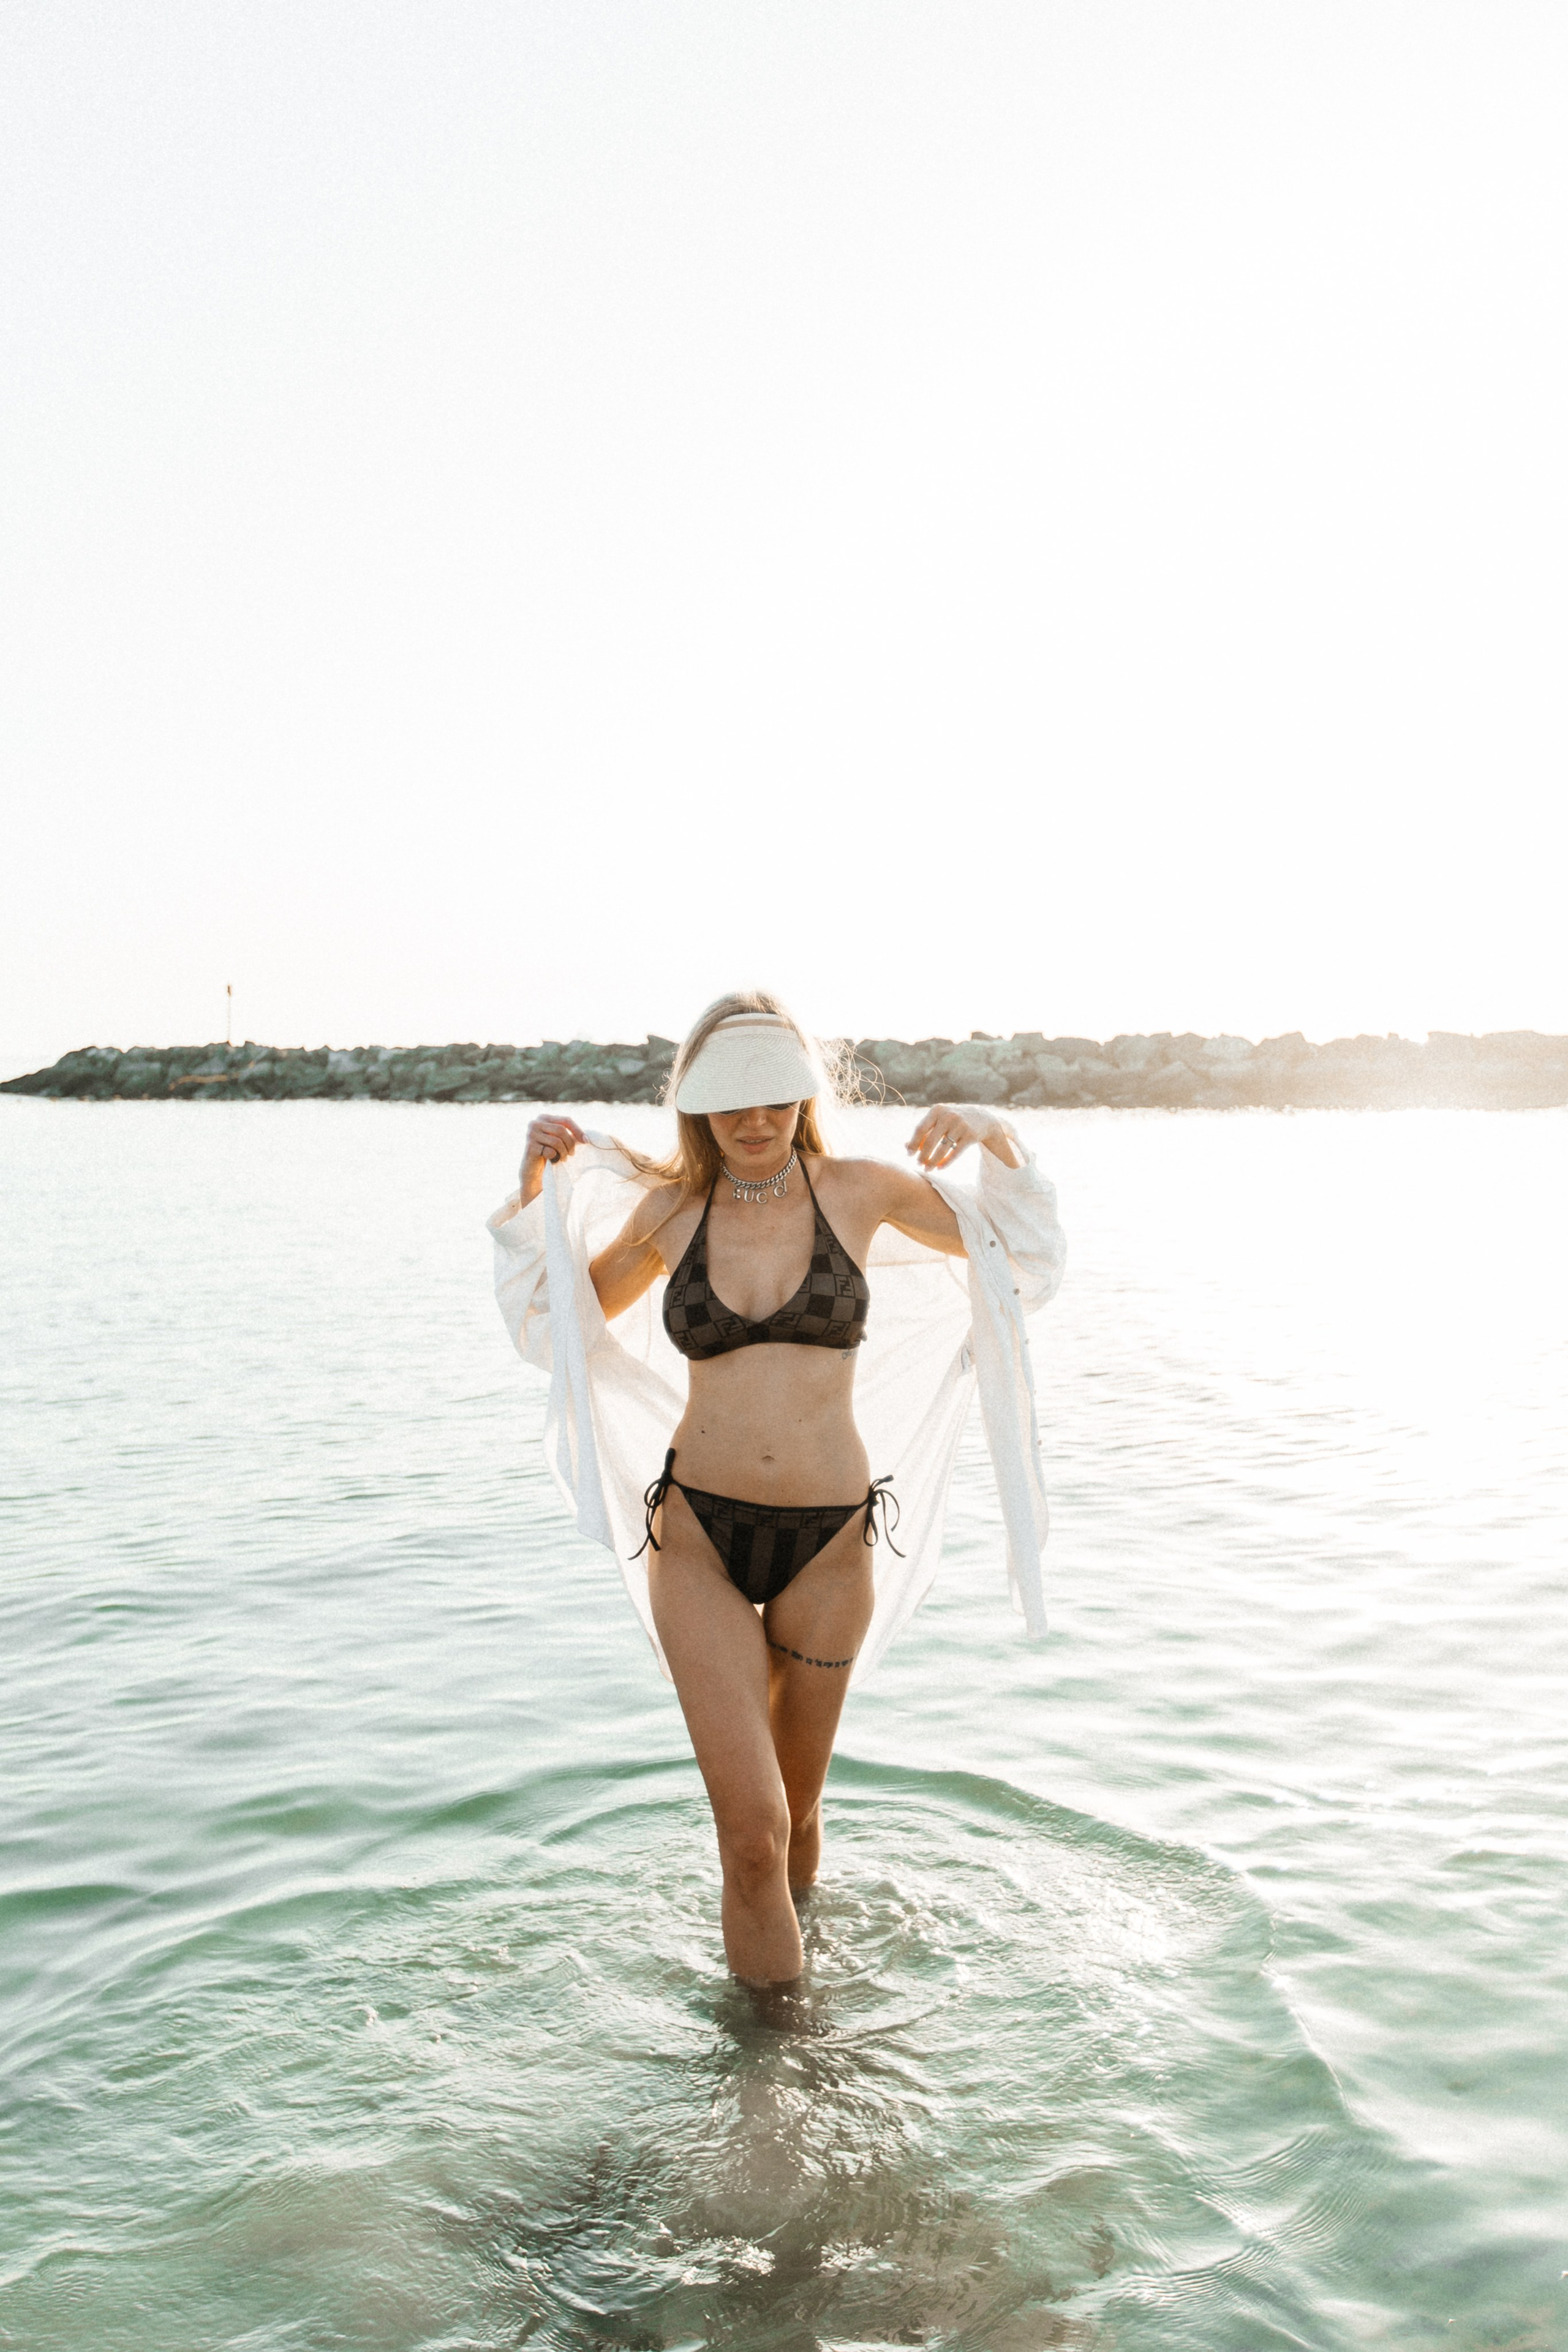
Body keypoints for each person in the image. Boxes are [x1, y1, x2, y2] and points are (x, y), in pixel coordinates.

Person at [488, 992, 1066, 1985]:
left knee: (796, 1818)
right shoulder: (669, 1211)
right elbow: (561, 1325)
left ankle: (804, 2056)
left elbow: (1018, 1262)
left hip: (832, 1545)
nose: (754, 1125)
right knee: (750, 1834)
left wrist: (996, 1132)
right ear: (696, 1111)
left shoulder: (864, 1192)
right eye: (730, 1106)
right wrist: (533, 1186)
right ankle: (760, 2093)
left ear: (803, 1099)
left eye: (774, 1103)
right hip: (699, 1540)